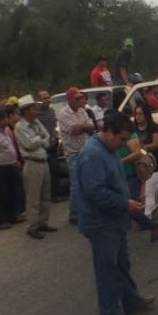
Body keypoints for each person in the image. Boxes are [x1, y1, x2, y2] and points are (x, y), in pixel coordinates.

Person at [70, 112, 155, 315]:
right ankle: (110, 311)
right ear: (107, 132)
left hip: (115, 219)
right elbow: (94, 192)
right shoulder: (92, 155)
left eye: (126, 139)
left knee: (121, 263)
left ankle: (130, 299)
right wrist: (124, 203)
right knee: (107, 267)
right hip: (101, 222)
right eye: (121, 139)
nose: (123, 144)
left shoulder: (109, 149)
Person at [14, 95, 55, 239]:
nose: (36, 111)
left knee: (45, 194)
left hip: (43, 160)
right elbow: (29, 144)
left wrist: (38, 138)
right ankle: (33, 226)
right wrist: (39, 138)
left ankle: (43, 222)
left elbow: (47, 137)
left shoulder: (37, 122)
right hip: (32, 162)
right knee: (34, 197)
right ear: (25, 111)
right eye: (32, 108)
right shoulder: (20, 127)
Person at [119, 106, 158, 241]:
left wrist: (122, 161)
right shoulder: (120, 134)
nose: (138, 116)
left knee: (130, 205)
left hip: (132, 174)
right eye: (136, 114)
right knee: (126, 204)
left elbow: (138, 153)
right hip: (122, 175)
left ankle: (151, 224)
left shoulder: (131, 134)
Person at [60, 87, 95, 224]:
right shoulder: (64, 114)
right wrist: (84, 126)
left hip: (85, 151)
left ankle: (85, 210)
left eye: (80, 97)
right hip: (73, 153)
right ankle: (74, 215)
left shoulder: (82, 111)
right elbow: (73, 130)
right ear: (69, 100)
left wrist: (83, 126)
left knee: (87, 183)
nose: (80, 100)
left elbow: (91, 126)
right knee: (76, 185)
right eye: (77, 98)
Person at [134, 101, 158, 224]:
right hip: (140, 164)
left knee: (149, 191)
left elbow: (156, 144)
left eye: (141, 114)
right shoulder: (134, 128)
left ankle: (147, 218)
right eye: (136, 114)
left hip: (154, 164)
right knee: (154, 188)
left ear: (146, 115)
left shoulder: (154, 127)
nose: (138, 117)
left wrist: (141, 148)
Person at [36, 90, 66, 203]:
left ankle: (55, 194)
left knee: (54, 170)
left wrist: (54, 137)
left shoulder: (51, 111)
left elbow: (54, 125)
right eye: (44, 98)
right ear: (39, 100)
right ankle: (45, 196)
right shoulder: (36, 114)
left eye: (48, 97)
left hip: (52, 144)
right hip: (41, 146)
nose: (48, 100)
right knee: (43, 173)